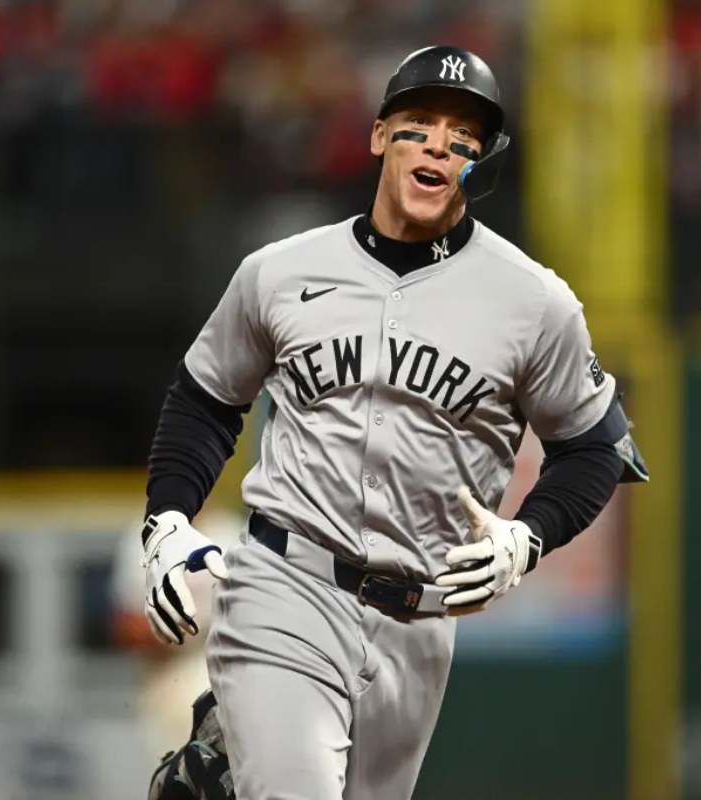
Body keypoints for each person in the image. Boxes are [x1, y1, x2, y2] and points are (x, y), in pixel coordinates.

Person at [140, 45, 649, 800]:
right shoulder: (279, 272)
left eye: (464, 133)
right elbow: (206, 397)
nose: (440, 143)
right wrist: (169, 518)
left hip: (419, 623)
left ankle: (214, 768)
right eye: (419, 123)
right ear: (379, 135)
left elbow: (595, 449)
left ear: (482, 160)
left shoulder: (533, 302)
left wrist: (527, 535)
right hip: (286, 580)